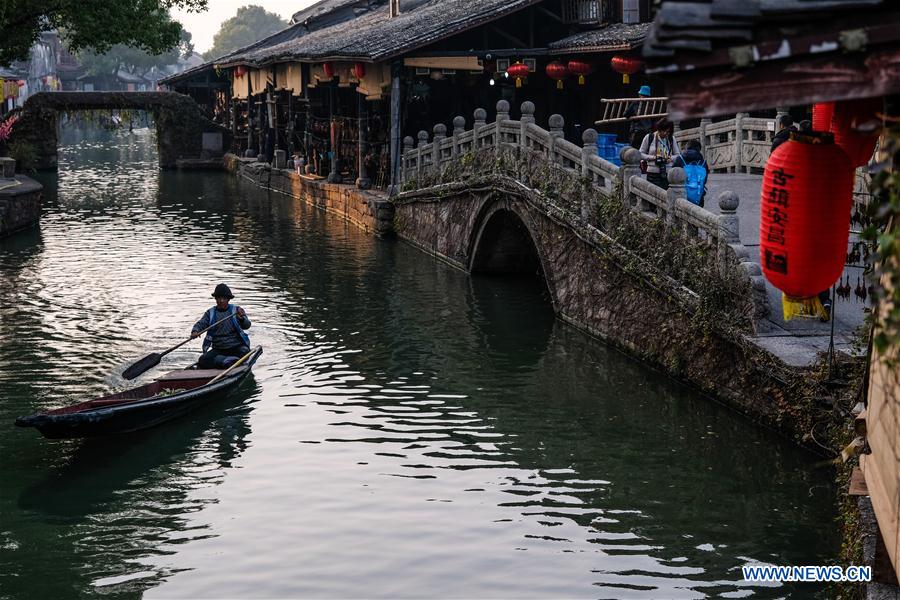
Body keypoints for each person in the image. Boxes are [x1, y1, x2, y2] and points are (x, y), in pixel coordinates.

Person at [191, 283, 251, 369]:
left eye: (224, 298)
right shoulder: (210, 313)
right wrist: (195, 331)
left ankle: (223, 361)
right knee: (203, 360)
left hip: (235, 347)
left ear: (228, 299)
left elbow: (247, 325)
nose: (221, 301)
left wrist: (241, 319)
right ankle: (226, 361)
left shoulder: (237, 310)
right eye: (219, 298)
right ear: (216, 299)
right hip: (218, 349)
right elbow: (201, 323)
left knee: (245, 352)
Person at [640, 118, 680, 190]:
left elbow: (678, 155)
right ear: (659, 129)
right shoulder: (649, 137)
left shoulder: (671, 138)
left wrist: (670, 158)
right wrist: (653, 157)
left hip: (667, 173)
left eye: (667, 132)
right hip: (652, 173)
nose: (665, 133)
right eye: (663, 131)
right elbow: (640, 154)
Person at [673, 140, 710, 207]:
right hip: (698, 197)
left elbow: (673, 176)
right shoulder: (703, 163)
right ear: (699, 149)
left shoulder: (680, 159)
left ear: (687, 147)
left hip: (681, 196)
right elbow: (704, 180)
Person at [624, 85, 654, 149]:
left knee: (635, 150)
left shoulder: (636, 103)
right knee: (646, 150)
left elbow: (626, 114)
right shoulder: (652, 104)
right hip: (648, 131)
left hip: (637, 131)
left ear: (639, 94)